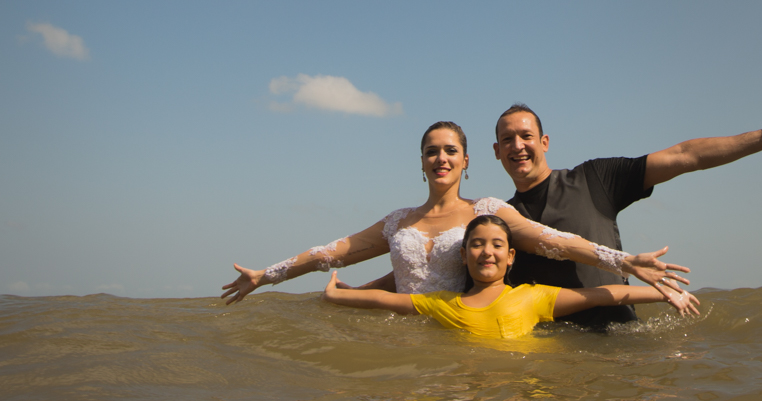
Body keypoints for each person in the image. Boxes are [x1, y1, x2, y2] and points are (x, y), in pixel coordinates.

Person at [221, 121, 691, 306]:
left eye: (450, 151)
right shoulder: (396, 221)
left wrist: (623, 261)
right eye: (431, 152)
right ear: (421, 161)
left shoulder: (487, 213)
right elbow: (331, 253)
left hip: (460, 332)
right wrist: (267, 275)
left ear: (466, 161)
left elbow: (554, 240)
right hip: (393, 332)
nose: (440, 159)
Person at [495, 97, 762, 327]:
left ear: (545, 142)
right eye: (507, 139)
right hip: (556, 355)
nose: (518, 146)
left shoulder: (593, 179)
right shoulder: (499, 223)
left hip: (622, 338)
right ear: (497, 151)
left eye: (526, 136)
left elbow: (685, 156)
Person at [322, 215, 700, 339]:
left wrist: (666, 294)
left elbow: (603, 295)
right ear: (463, 255)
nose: (487, 252)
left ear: (511, 256)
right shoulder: (441, 305)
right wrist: (338, 295)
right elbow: (387, 300)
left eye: (497, 245)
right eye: (477, 245)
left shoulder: (533, 297)